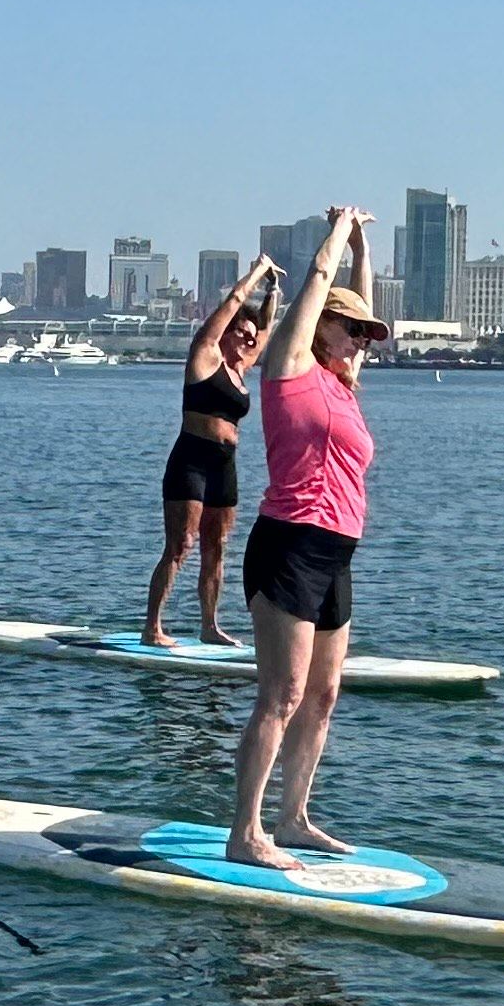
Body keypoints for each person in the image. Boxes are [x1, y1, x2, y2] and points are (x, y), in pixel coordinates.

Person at [227, 207, 387, 869]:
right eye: (347, 329)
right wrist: (340, 231)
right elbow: (322, 278)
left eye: (362, 334)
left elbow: (358, 297)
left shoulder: (346, 386)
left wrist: (365, 248)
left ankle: (293, 818)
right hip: (289, 542)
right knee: (282, 696)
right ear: (318, 325)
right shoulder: (289, 372)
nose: (357, 340)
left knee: (322, 695)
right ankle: (246, 832)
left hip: (336, 554)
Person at [142, 254, 281, 646]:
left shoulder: (243, 367)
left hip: (224, 465)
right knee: (180, 545)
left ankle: (209, 626)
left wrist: (273, 290)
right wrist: (257, 271)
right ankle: (152, 627)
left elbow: (267, 327)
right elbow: (234, 302)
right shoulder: (205, 355)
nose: (250, 339)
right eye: (242, 333)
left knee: (215, 547)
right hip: (191, 461)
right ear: (226, 332)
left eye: (252, 337)